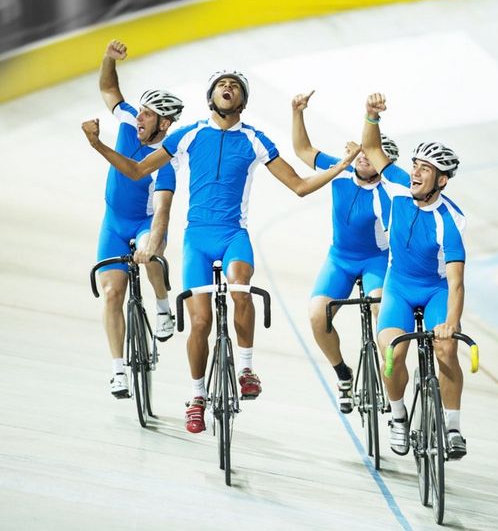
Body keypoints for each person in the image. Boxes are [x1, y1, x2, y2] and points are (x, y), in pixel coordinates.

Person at [82, 70, 359, 433]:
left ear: (242, 102)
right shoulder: (189, 134)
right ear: (211, 96)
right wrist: (98, 145)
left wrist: (340, 167)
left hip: (233, 235)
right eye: (221, 85)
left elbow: (299, 186)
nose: (228, 88)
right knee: (200, 322)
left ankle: (245, 368)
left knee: (241, 286)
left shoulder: (255, 140)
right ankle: (197, 397)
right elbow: (135, 170)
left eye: (235, 86)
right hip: (197, 238)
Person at [360, 93, 469, 459]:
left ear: (442, 180)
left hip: (435, 291)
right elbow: (372, 148)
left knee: (446, 350)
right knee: (391, 351)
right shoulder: (396, 189)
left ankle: (452, 428)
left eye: (426, 169)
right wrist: (372, 116)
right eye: (416, 165)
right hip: (400, 287)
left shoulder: (450, 221)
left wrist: (450, 324)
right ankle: (398, 416)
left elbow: (455, 281)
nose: (416, 172)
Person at [291, 90, 407, 414]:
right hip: (339, 258)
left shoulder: (389, 192)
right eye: (362, 151)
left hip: (376, 261)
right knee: (317, 315)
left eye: (371, 155)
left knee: (378, 310)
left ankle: (389, 377)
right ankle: (343, 373)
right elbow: (302, 150)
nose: (362, 156)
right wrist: (297, 112)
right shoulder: (340, 169)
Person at [94, 39, 183, 399]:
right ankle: (118, 370)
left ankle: (162, 307)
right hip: (114, 222)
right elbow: (108, 87)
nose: (138, 117)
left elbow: (161, 214)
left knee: (151, 254)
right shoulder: (130, 120)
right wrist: (107, 59)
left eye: (147, 114)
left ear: (163, 123)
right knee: (113, 292)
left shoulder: (167, 159)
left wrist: (152, 245)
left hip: (143, 224)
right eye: (140, 111)